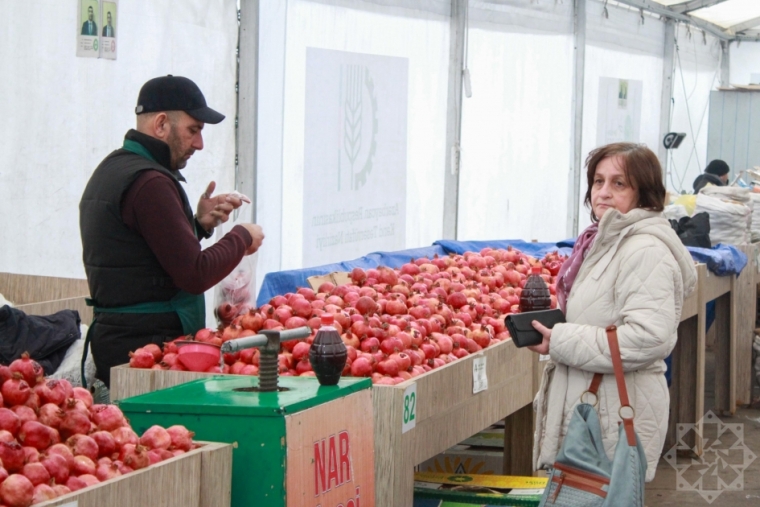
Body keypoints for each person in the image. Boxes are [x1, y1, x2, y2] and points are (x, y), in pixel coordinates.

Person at [79, 75, 264, 388]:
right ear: (162, 124)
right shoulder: (151, 183)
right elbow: (194, 273)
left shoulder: (114, 168)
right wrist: (242, 236)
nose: (199, 144)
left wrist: (199, 225)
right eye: (194, 130)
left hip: (125, 346)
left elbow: (140, 250)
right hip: (147, 353)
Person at [529, 142, 697, 482]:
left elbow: (649, 338)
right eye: (598, 181)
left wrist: (561, 339)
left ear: (645, 195)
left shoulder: (645, 250)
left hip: (613, 415)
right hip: (593, 408)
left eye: (618, 184)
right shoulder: (599, 242)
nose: (603, 193)